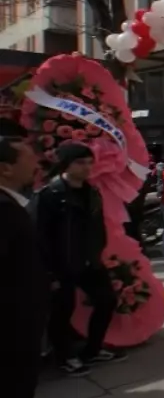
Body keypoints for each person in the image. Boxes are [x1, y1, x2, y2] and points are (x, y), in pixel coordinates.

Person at [0, 126, 79, 398]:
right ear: (5, 167)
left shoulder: (13, 203)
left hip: (23, 309)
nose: (37, 163)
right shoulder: (2, 209)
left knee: (19, 377)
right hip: (11, 315)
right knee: (14, 376)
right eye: (29, 157)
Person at [33, 142, 126, 376]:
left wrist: (97, 251)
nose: (87, 167)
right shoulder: (50, 195)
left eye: (89, 162)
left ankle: (93, 349)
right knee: (62, 311)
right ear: (65, 164)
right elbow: (41, 236)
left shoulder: (92, 192)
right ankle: (64, 357)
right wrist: (50, 272)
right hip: (62, 263)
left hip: (90, 260)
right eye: (80, 162)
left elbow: (97, 227)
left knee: (106, 301)